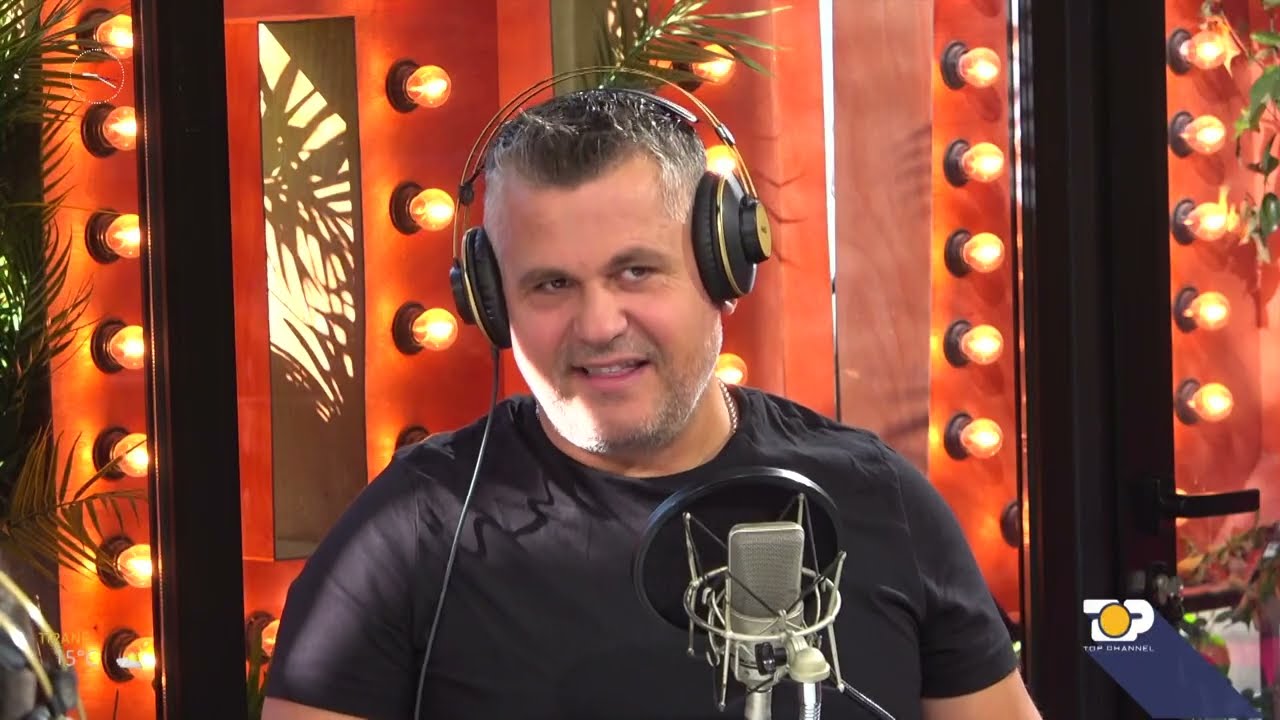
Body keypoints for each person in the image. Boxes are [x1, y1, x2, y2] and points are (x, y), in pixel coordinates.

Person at [261, 87, 1043, 720]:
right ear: (491, 304)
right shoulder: (405, 536)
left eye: (636, 272)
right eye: (551, 284)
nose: (599, 325)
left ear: (722, 265)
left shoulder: (877, 497)